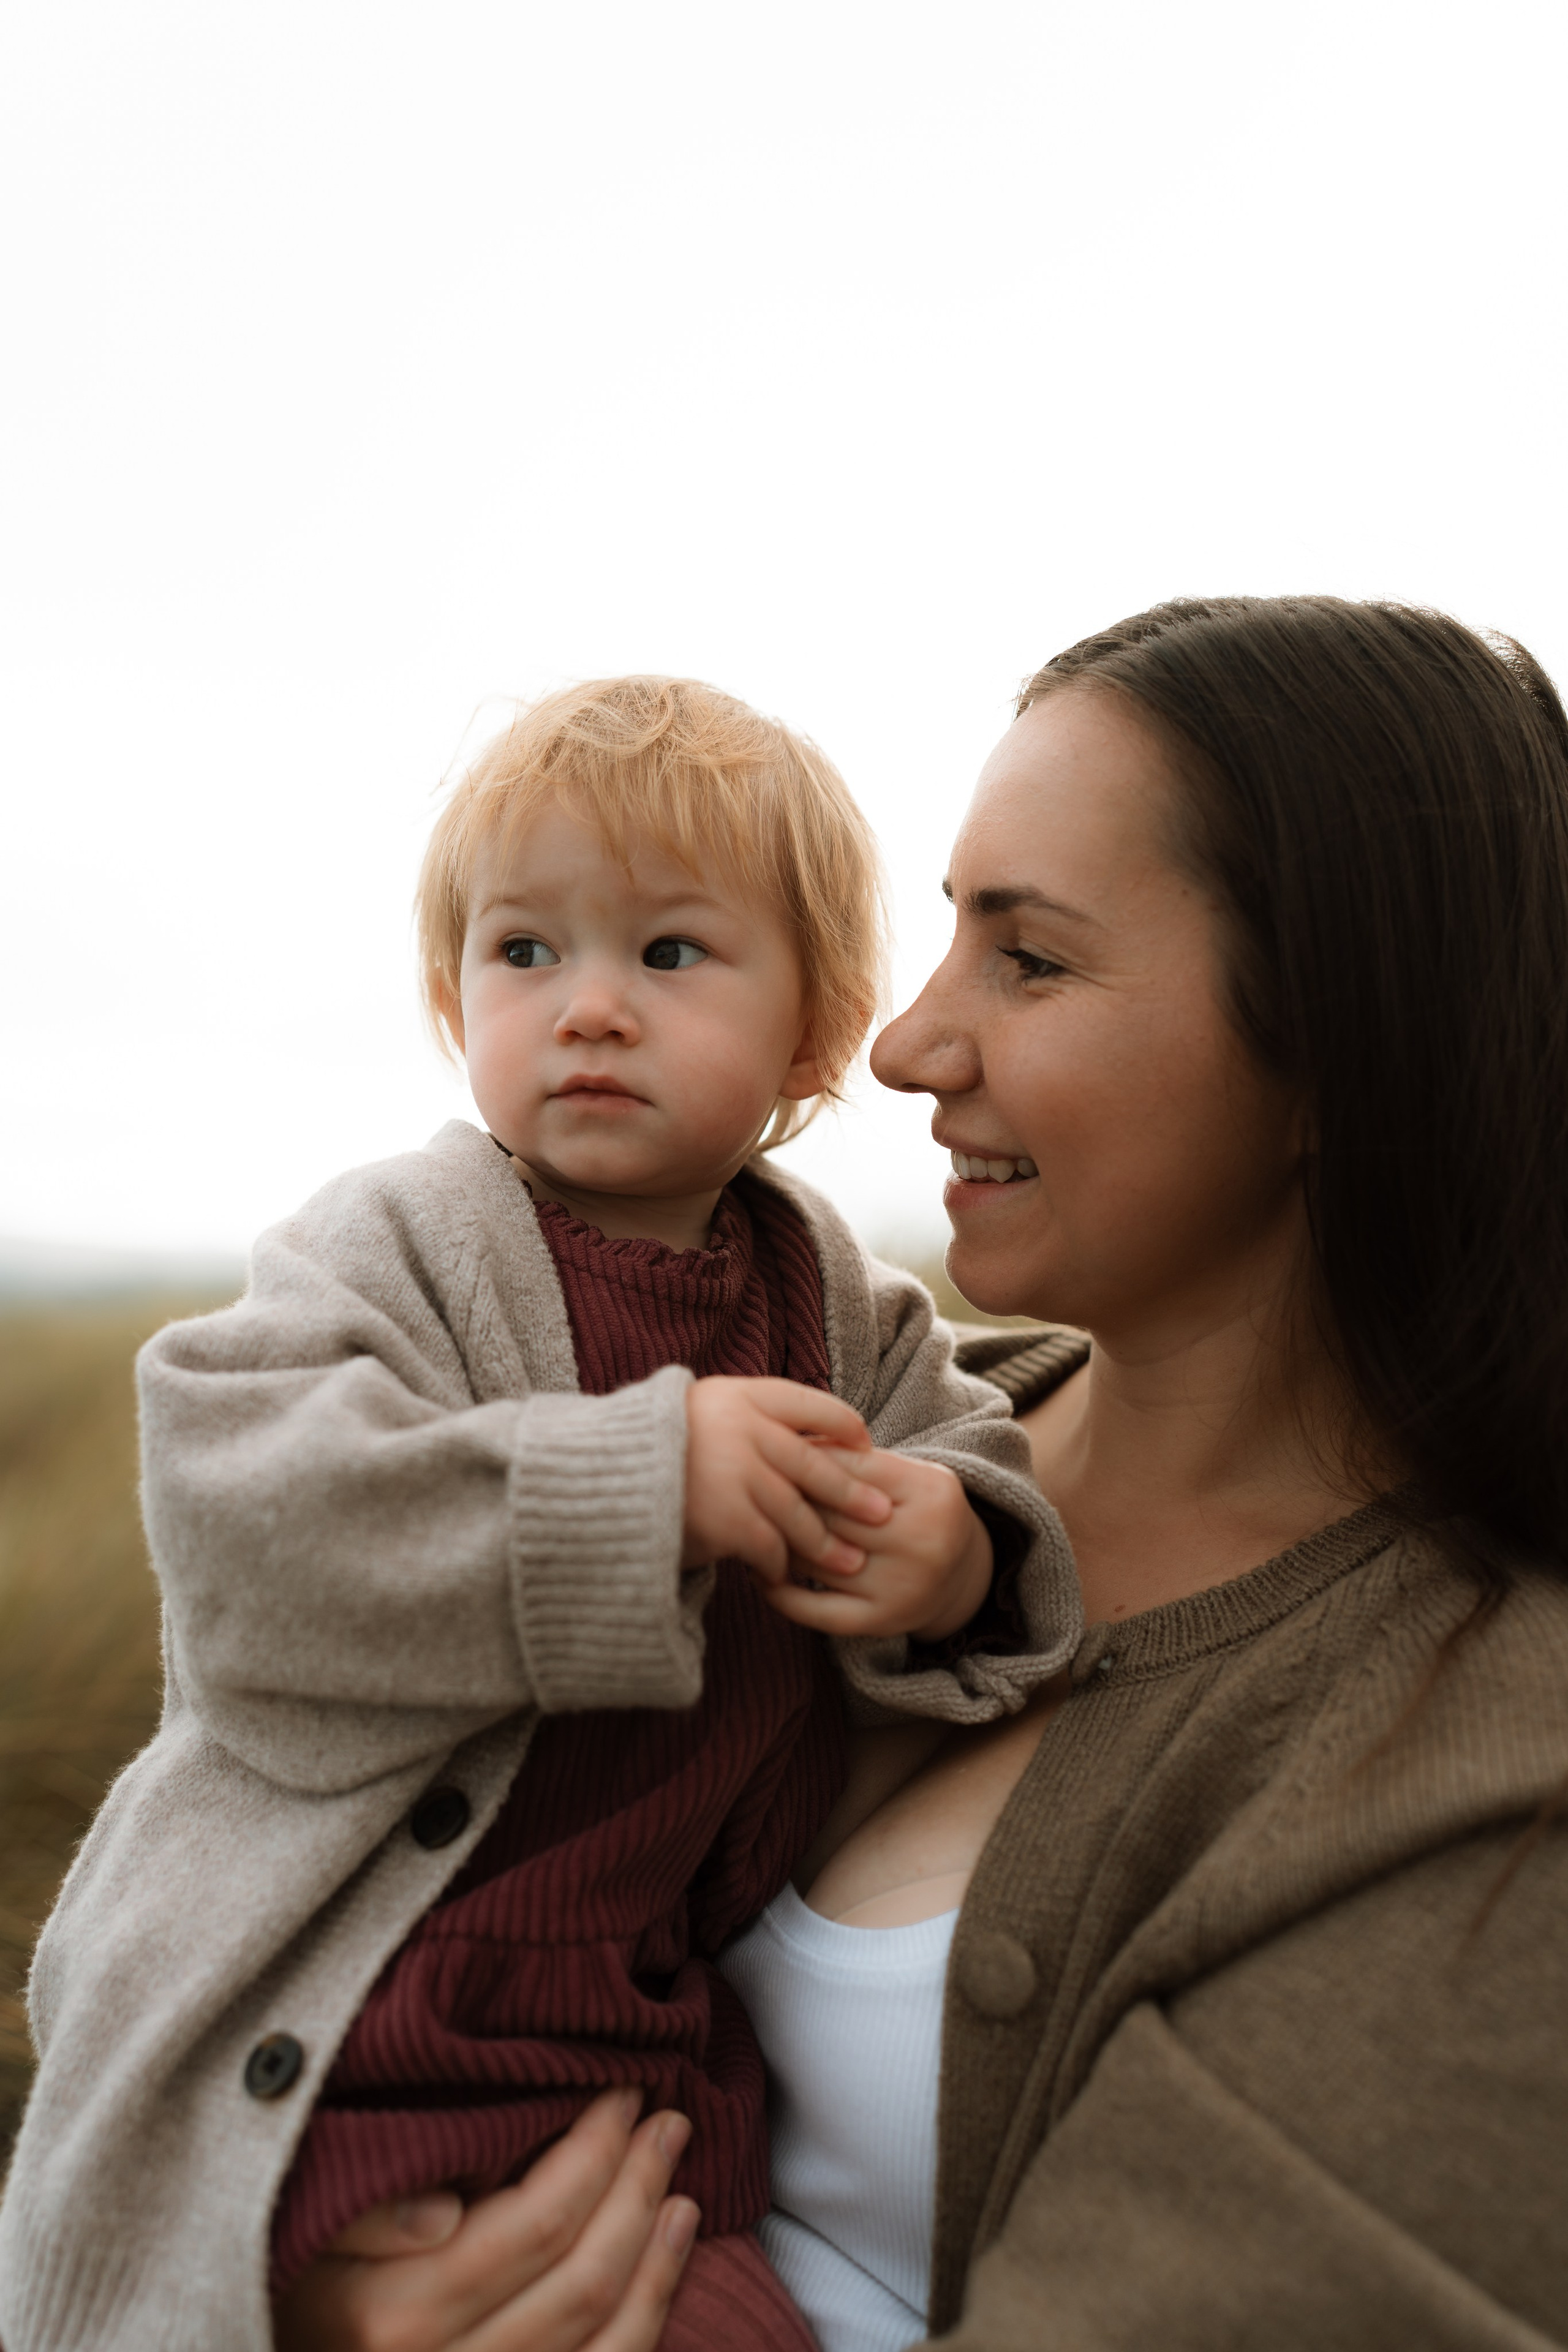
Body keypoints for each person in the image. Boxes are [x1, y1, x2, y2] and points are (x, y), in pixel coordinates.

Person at [263, 597, 1568, 2351]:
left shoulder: (1491, 1751)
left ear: (1339, 1043)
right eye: (950, 938)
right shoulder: (849, 1404)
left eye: (1027, 960)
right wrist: (286, 2259)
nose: (903, 1047)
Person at [0, 677, 1076, 2352]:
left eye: (666, 954)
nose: (588, 1008)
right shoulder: (400, 1241)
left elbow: (979, 1458)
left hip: (616, 2054)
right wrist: (640, 1489)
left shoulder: (839, 1303)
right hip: (328, 2011)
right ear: (454, 995)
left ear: (814, 1028)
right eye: (524, 952)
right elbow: (241, 1514)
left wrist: (952, 1548)